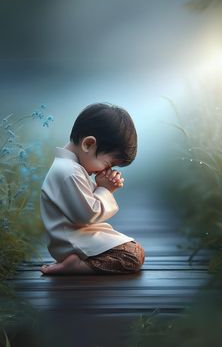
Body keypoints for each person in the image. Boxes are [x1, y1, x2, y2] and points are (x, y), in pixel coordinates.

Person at [40, 102, 145, 275]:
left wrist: (102, 186)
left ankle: (77, 262)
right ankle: (76, 266)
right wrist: (105, 189)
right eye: (108, 164)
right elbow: (87, 215)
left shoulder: (71, 168)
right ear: (88, 144)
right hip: (73, 241)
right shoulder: (69, 172)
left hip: (80, 237)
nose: (106, 170)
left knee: (135, 249)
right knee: (132, 256)